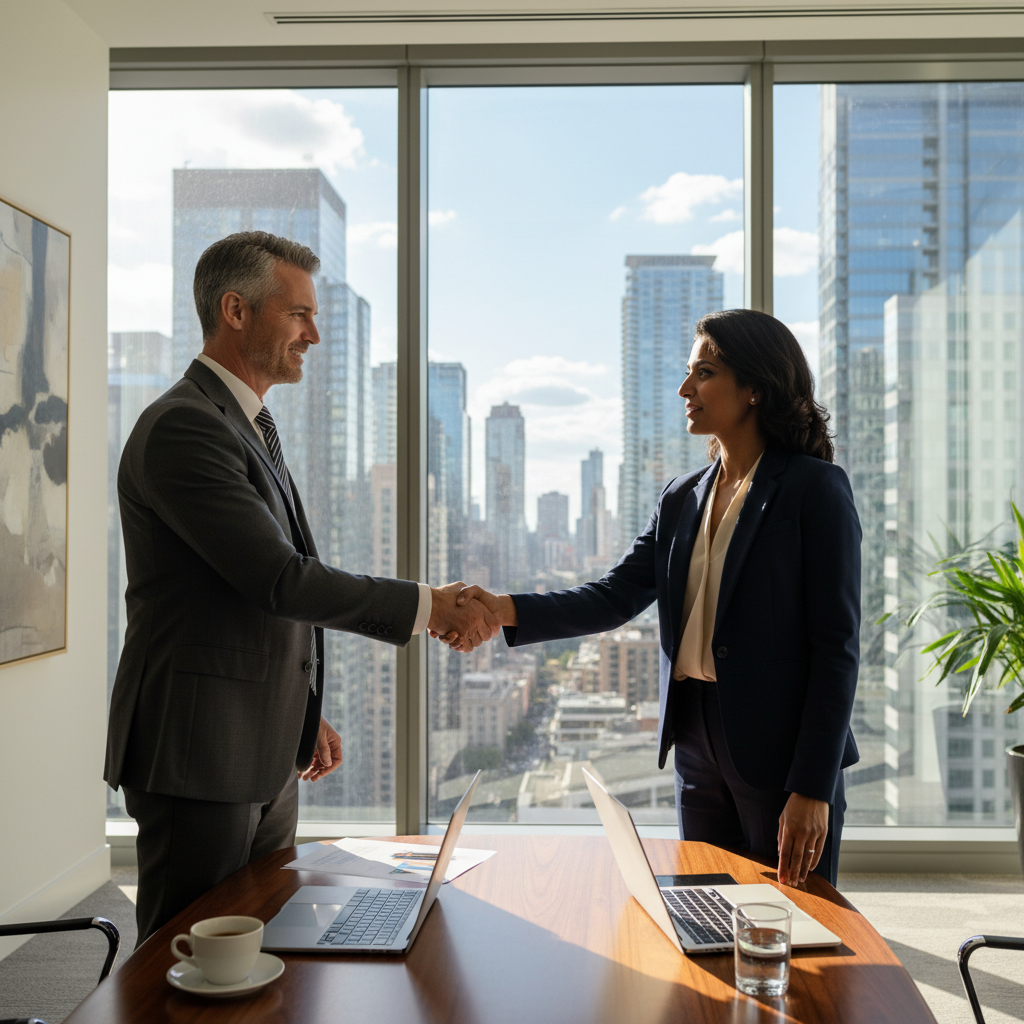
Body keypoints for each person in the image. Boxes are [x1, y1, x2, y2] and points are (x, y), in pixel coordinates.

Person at [105, 231, 498, 944]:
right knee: (183, 958)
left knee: (260, 935)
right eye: (299, 315)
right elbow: (279, 579)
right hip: (200, 751)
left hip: (260, 741)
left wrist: (298, 709)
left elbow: (242, 596)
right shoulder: (184, 428)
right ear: (236, 311)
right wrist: (431, 606)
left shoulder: (247, 425)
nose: (315, 335)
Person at [455, 309, 861, 888]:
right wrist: (503, 610)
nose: (685, 388)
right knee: (703, 913)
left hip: (781, 749)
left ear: (754, 389)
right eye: (688, 371)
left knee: (792, 931)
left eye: (705, 372)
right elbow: (615, 596)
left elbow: (836, 648)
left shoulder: (814, 490)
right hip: (695, 739)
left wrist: (813, 786)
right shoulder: (682, 497)